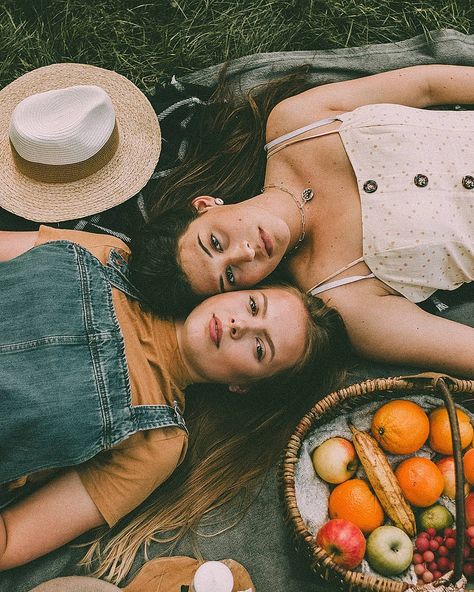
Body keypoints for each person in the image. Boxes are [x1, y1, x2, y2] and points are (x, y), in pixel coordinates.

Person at [0, 225, 349, 574]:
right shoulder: (110, 254)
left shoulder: (158, 442)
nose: (238, 325)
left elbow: (11, 538)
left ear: (244, 386)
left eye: (259, 348)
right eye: (253, 306)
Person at [130, 64, 474, 377]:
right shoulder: (347, 300)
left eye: (216, 243)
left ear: (206, 205)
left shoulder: (294, 123)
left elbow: (428, 87)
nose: (245, 253)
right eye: (231, 277)